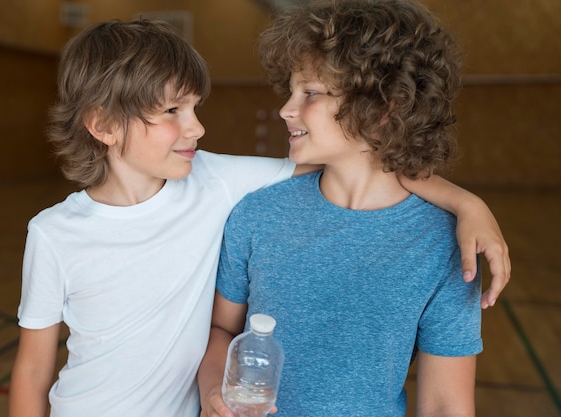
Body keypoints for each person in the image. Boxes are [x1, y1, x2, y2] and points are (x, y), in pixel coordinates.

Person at [8, 17, 508, 417]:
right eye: (173, 111)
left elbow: (372, 153)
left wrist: (467, 203)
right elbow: (33, 372)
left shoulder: (218, 182)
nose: (198, 127)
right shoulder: (57, 233)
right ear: (102, 125)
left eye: (309, 93)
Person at [198, 1, 491, 416]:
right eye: (292, 90)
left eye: (311, 93)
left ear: (382, 108)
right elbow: (222, 329)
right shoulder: (257, 214)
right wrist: (214, 392)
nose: (286, 108)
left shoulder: (447, 246)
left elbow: (446, 405)